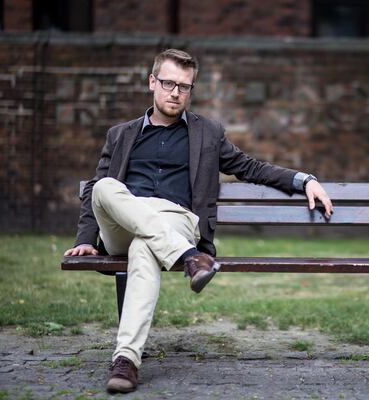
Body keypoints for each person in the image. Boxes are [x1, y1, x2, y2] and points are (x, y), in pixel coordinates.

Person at [64, 48, 333, 394]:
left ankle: (126, 361)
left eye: (185, 87)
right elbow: (94, 197)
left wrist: (304, 179)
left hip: (175, 221)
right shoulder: (120, 134)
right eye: (168, 83)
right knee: (104, 187)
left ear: (191, 90)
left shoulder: (208, 133)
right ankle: (191, 258)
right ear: (152, 82)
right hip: (123, 224)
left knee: (147, 247)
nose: (176, 92)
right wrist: (84, 239)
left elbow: (250, 168)